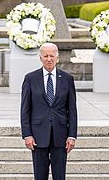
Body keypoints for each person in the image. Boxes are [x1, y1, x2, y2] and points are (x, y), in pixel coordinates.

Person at [20, 42, 78, 180]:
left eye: (52, 56)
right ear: (40, 58)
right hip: (38, 136)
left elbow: (72, 110)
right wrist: (27, 134)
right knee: (40, 176)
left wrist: (72, 135)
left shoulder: (67, 79)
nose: (49, 59)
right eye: (45, 56)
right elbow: (25, 110)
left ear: (57, 58)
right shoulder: (30, 79)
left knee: (60, 176)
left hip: (61, 135)